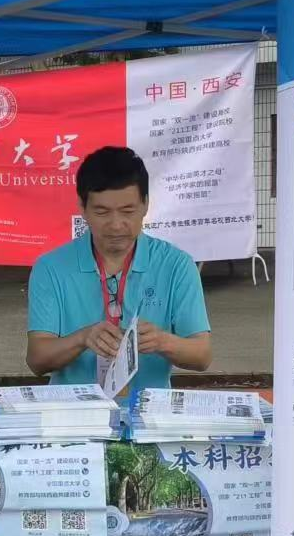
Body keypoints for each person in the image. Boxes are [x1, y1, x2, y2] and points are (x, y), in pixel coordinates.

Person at [26, 145, 211, 389]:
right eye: (102, 212)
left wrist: (161, 341)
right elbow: (37, 360)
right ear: (82, 208)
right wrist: (82, 338)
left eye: (127, 211)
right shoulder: (51, 267)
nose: (115, 225)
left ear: (145, 205)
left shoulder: (176, 265)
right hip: (73, 409)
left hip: (147, 408)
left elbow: (202, 355)